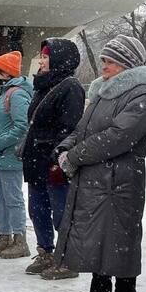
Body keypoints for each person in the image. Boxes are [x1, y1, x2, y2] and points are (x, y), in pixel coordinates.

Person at [55, 35, 146, 292]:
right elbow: (82, 128)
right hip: (97, 179)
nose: (104, 65)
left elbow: (117, 137)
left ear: (126, 63)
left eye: (110, 60)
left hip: (120, 182)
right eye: (103, 60)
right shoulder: (104, 92)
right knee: (98, 237)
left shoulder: (141, 95)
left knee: (121, 240)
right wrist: (65, 147)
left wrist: (75, 156)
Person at [21, 38, 85, 279]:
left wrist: (55, 154)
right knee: (37, 209)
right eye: (41, 56)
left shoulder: (71, 87)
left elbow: (69, 127)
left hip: (53, 161)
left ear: (59, 59)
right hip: (36, 159)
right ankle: (45, 251)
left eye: (46, 57)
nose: (41, 61)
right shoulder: (43, 85)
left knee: (61, 212)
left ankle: (68, 259)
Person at [0, 51, 32, 259]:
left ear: (6, 73)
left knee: (13, 198)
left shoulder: (16, 94)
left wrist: (0, 142)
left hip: (8, 156)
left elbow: (23, 126)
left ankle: (20, 240)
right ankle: (4, 236)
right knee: (0, 198)